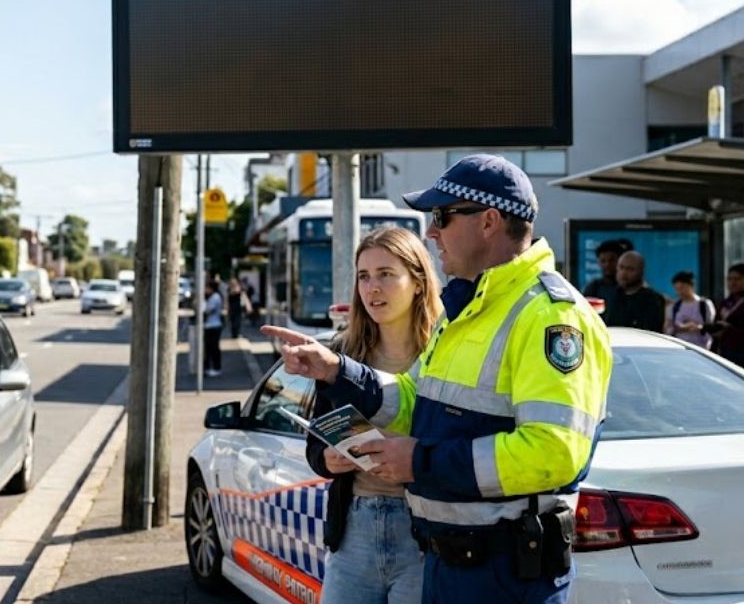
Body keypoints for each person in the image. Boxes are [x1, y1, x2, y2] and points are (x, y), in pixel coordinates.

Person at [264, 154, 612, 604]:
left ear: (489, 222)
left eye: (443, 217)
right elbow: (413, 399)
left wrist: (420, 462)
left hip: (504, 577)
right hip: (450, 568)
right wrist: (336, 370)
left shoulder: (550, 316)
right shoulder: (467, 311)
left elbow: (554, 451)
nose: (431, 231)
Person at [304, 226, 441, 604]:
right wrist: (329, 460)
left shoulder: (445, 350)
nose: (372, 288)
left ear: (417, 282)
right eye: (364, 276)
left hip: (424, 530)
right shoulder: (342, 352)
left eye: (385, 274)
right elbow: (316, 441)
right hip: (355, 527)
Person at [604, 251, 666, 331]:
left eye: (630, 269)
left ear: (641, 271)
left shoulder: (652, 299)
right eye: (621, 267)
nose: (623, 273)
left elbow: (651, 331)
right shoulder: (611, 295)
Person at [664, 270, 715, 349]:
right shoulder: (674, 306)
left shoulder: (704, 304)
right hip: (680, 347)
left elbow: (712, 327)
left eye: (682, 288)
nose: (680, 292)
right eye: (677, 289)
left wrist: (699, 327)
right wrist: (679, 328)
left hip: (702, 348)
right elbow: (667, 329)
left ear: (692, 285)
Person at [706, 262, 744, 366]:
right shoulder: (725, 303)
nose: (732, 283)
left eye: (737, 279)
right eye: (729, 279)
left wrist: (729, 330)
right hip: (726, 352)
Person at [582, 239, 630, 310]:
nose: (607, 264)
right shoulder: (593, 288)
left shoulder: (631, 286)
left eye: (612, 260)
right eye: (603, 261)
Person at [202, 280, 224, 377]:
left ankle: (216, 368)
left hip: (214, 326)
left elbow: (207, 310)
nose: (205, 290)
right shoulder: (213, 297)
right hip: (210, 325)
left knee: (213, 348)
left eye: (207, 288)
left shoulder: (215, 297)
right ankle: (210, 367)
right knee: (209, 348)